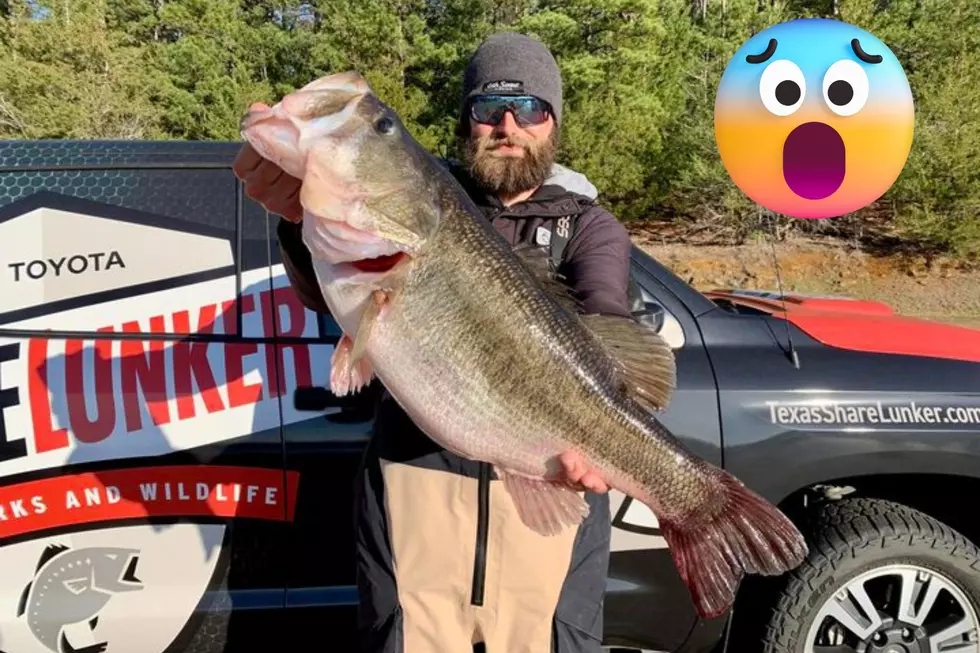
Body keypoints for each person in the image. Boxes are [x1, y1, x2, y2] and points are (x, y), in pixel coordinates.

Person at [233, 31, 637, 653]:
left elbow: (608, 323)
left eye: (530, 109)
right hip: (414, 491)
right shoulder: (423, 199)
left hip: (546, 502)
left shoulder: (588, 226)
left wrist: (605, 437)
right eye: (487, 110)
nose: (508, 125)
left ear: (554, 124)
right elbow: (330, 292)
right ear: (464, 123)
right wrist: (297, 220)